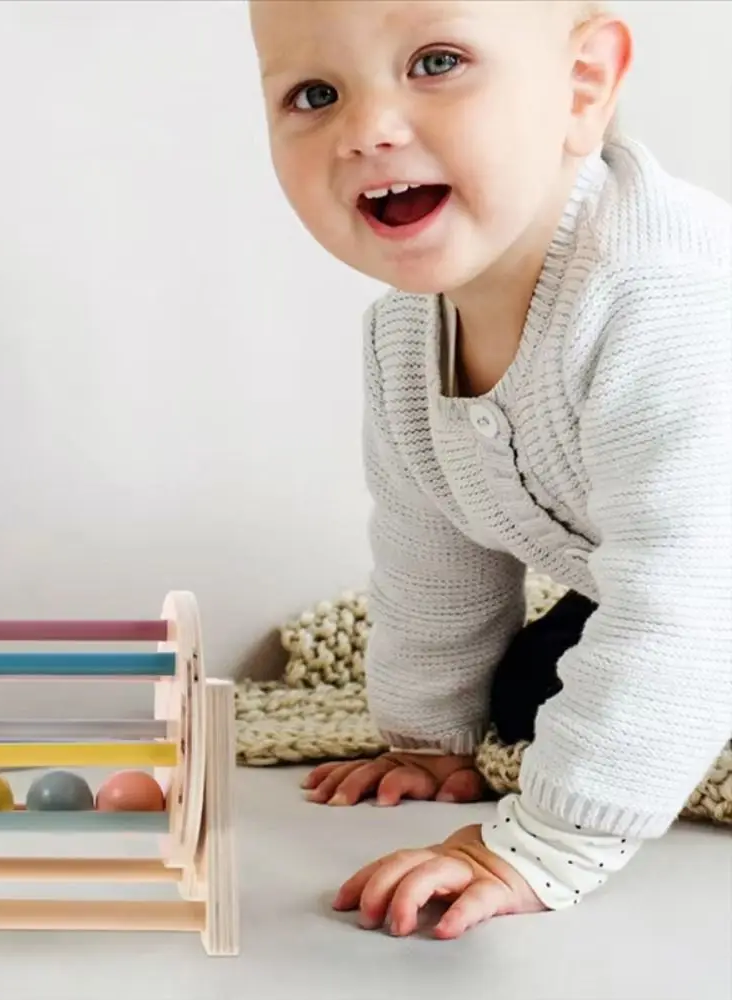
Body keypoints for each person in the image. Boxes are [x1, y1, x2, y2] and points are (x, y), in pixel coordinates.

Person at [249, 0, 731, 939]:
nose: (368, 130)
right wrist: (430, 740)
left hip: (711, 584)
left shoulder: (658, 297)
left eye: (436, 63)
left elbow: (691, 594)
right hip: (685, 583)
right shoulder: (404, 335)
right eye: (315, 94)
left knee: (658, 661)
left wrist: (545, 843)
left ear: (582, 86)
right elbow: (429, 550)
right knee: (530, 694)